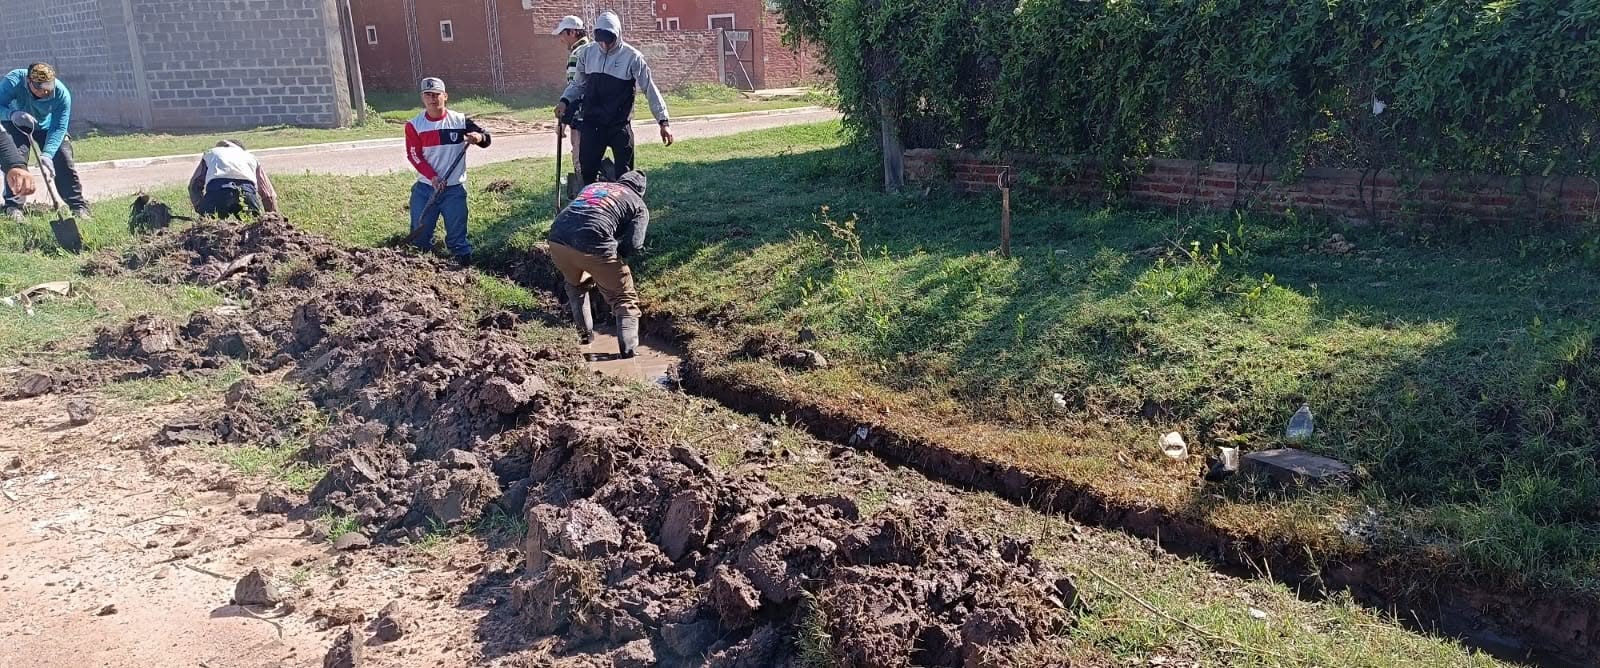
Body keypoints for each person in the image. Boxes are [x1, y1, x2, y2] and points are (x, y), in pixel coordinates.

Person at [556, 11, 673, 186]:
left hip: (619, 125)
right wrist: (564, 101)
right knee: (587, 173)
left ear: (617, 35)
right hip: (592, 124)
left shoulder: (632, 57)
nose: (604, 45)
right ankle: (592, 208)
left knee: (625, 176)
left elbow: (649, 89)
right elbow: (578, 84)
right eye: (600, 40)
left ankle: (624, 208)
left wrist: (663, 122)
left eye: (608, 40)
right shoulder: (587, 54)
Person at [547, 170, 650, 358]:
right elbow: (635, 244)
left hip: (557, 240)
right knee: (624, 299)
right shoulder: (638, 204)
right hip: (594, 244)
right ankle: (629, 354)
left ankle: (585, 337)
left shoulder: (593, 187)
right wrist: (616, 258)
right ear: (641, 191)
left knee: (576, 286)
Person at [405, 76, 491, 265]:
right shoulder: (414, 125)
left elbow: (486, 138)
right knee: (419, 237)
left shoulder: (459, 120)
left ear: (445, 96)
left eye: (436, 94)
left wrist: (478, 137)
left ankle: (464, 267)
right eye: (428, 95)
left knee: (458, 239)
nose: (432, 99)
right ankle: (420, 268)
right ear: (422, 98)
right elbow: (414, 156)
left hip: (453, 189)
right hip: (426, 188)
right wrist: (433, 177)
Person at [1, 63, 84, 221]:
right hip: (15, 122)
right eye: (39, 87)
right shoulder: (13, 81)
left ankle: (78, 206)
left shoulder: (61, 93)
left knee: (63, 157)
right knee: (16, 159)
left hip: (46, 126)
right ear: (28, 82)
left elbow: (59, 126)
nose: (45, 91)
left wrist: (48, 153)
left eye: (48, 87)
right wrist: (11, 114)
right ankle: (13, 205)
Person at [186, 140, 278, 218]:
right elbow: (267, 193)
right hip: (247, 193)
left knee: (207, 232)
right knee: (253, 230)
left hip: (218, 192)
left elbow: (194, 185)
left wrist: (201, 209)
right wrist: (272, 217)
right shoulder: (250, 157)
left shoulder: (212, 153)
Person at [552, 15, 590, 176]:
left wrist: (563, 122)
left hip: (581, 116)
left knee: (580, 159)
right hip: (595, 113)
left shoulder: (577, 54)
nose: (561, 39)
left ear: (573, 32)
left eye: (563, 34)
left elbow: (576, 90)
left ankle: (585, 193)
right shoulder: (593, 49)